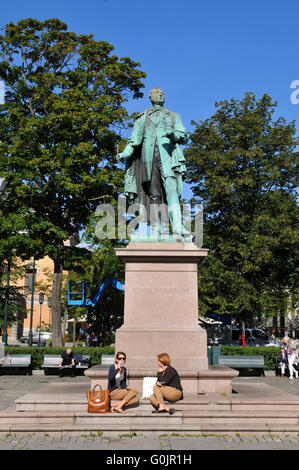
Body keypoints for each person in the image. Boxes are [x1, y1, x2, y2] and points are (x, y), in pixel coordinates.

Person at [118, 87, 189, 239]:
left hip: (168, 159)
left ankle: (178, 227)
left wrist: (174, 135)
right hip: (148, 161)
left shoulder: (173, 116)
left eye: (163, 93)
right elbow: (134, 140)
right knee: (154, 195)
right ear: (151, 97)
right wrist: (124, 154)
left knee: (172, 191)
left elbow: (183, 135)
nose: (161, 95)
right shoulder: (143, 118)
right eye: (158, 93)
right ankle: (156, 230)